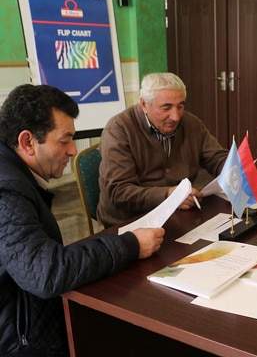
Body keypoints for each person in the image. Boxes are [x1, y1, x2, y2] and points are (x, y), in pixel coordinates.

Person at [0, 84, 164, 356]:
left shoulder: (13, 173)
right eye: (64, 140)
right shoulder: (7, 190)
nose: (73, 151)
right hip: (21, 340)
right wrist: (130, 245)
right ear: (27, 142)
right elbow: (46, 273)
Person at [98, 72, 229, 228]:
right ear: (144, 105)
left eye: (180, 106)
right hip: (131, 222)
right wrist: (168, 195)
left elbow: (217, 158)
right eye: (166, 108)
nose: (176, 116)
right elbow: (120, 192)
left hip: (177, 215)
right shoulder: (119, 130)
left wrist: (237, 169)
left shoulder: (191, 123)